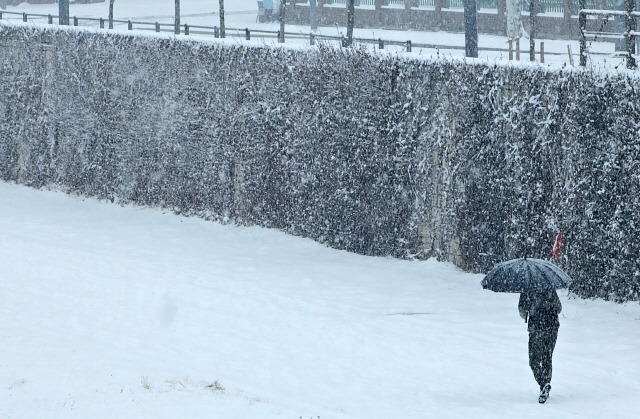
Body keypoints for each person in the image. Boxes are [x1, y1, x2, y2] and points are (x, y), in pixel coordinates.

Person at [518, 288, 562, 404]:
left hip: (536, 328)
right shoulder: (549, 287)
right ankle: (545, 383)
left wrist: (530, 309)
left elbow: (522, 312)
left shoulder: (526, 289)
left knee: (534, 360)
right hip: (552, 327)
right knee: (547, 357)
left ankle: (543, 384)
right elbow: (558, 308)